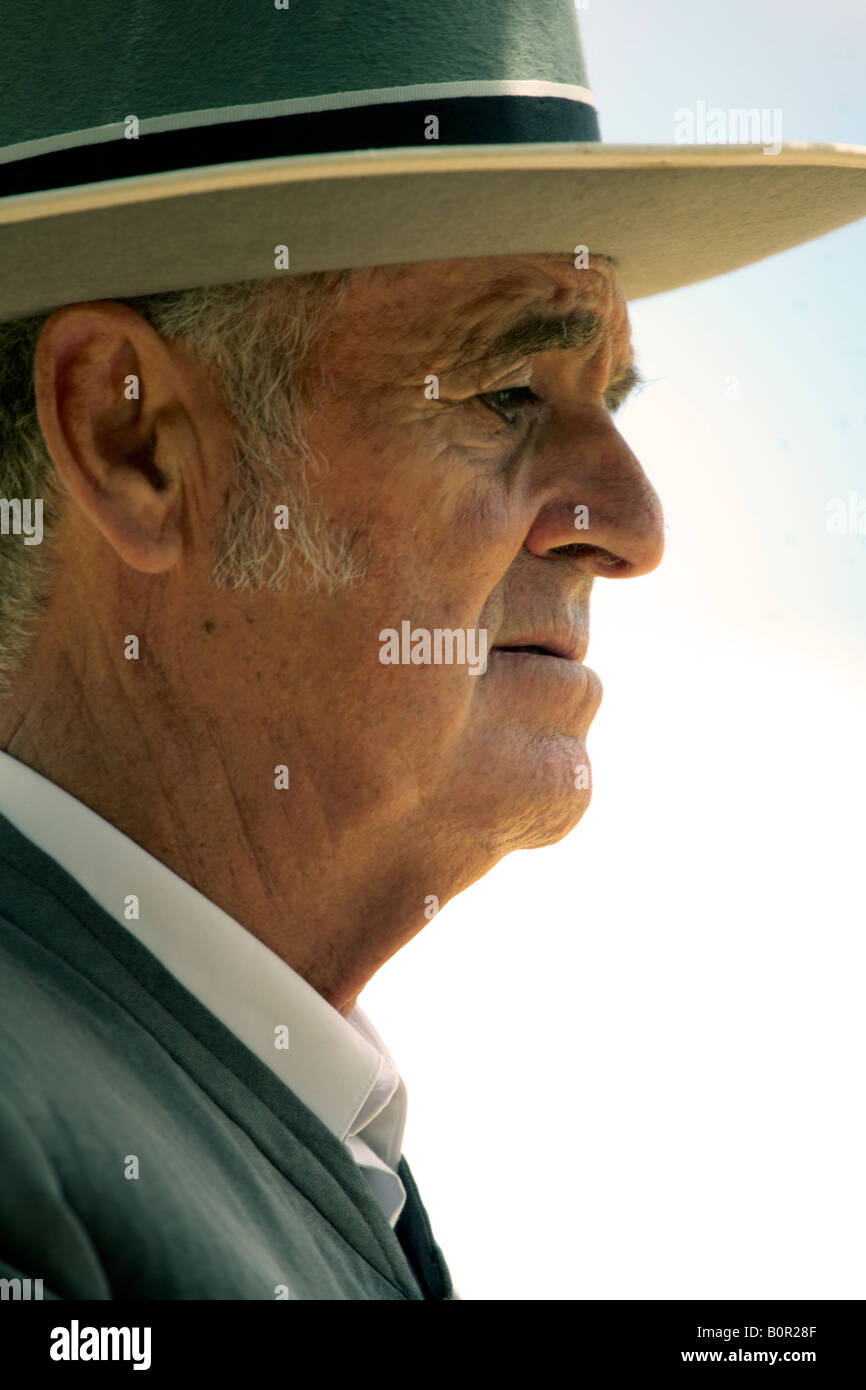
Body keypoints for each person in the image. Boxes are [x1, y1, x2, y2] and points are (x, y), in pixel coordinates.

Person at [0, 0, 863, 1300]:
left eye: (607, 401)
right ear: (133, 439)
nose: (631, 528)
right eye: (507, 392)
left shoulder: (235, 1088)